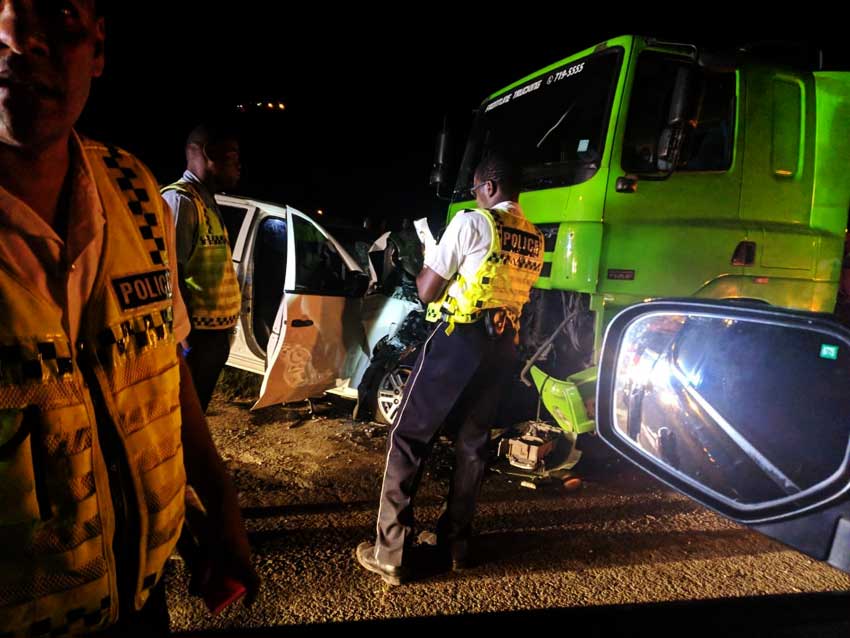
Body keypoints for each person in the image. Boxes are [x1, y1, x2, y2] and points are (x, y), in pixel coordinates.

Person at [0, 2, 258, 634]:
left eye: (56, 12)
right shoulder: (175, 200)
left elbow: (160, 363)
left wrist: (214, 498)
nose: (16, 34)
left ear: (98, 46)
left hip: (141, 598)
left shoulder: (134, 190)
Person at [355, 151, 544, 584]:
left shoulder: (471, 222)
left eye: (477, 190)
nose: (475, 197)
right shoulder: (534, 237)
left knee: (408, 436)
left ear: (490, 187)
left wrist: (430, 259)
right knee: (473, 445)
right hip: (504, 346)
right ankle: (456, 545)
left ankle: (391, 551)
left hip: (460, 339)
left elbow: (426, 290)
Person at [161, 123, 242, 413]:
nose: (239, 165)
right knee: (182, 417)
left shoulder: (206, 202)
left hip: (212, 337)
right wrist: (185, 340)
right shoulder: (180, 201)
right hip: (196, 338)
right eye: (232, 157)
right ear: (208, 153)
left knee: (197, 411)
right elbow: (168, 274)